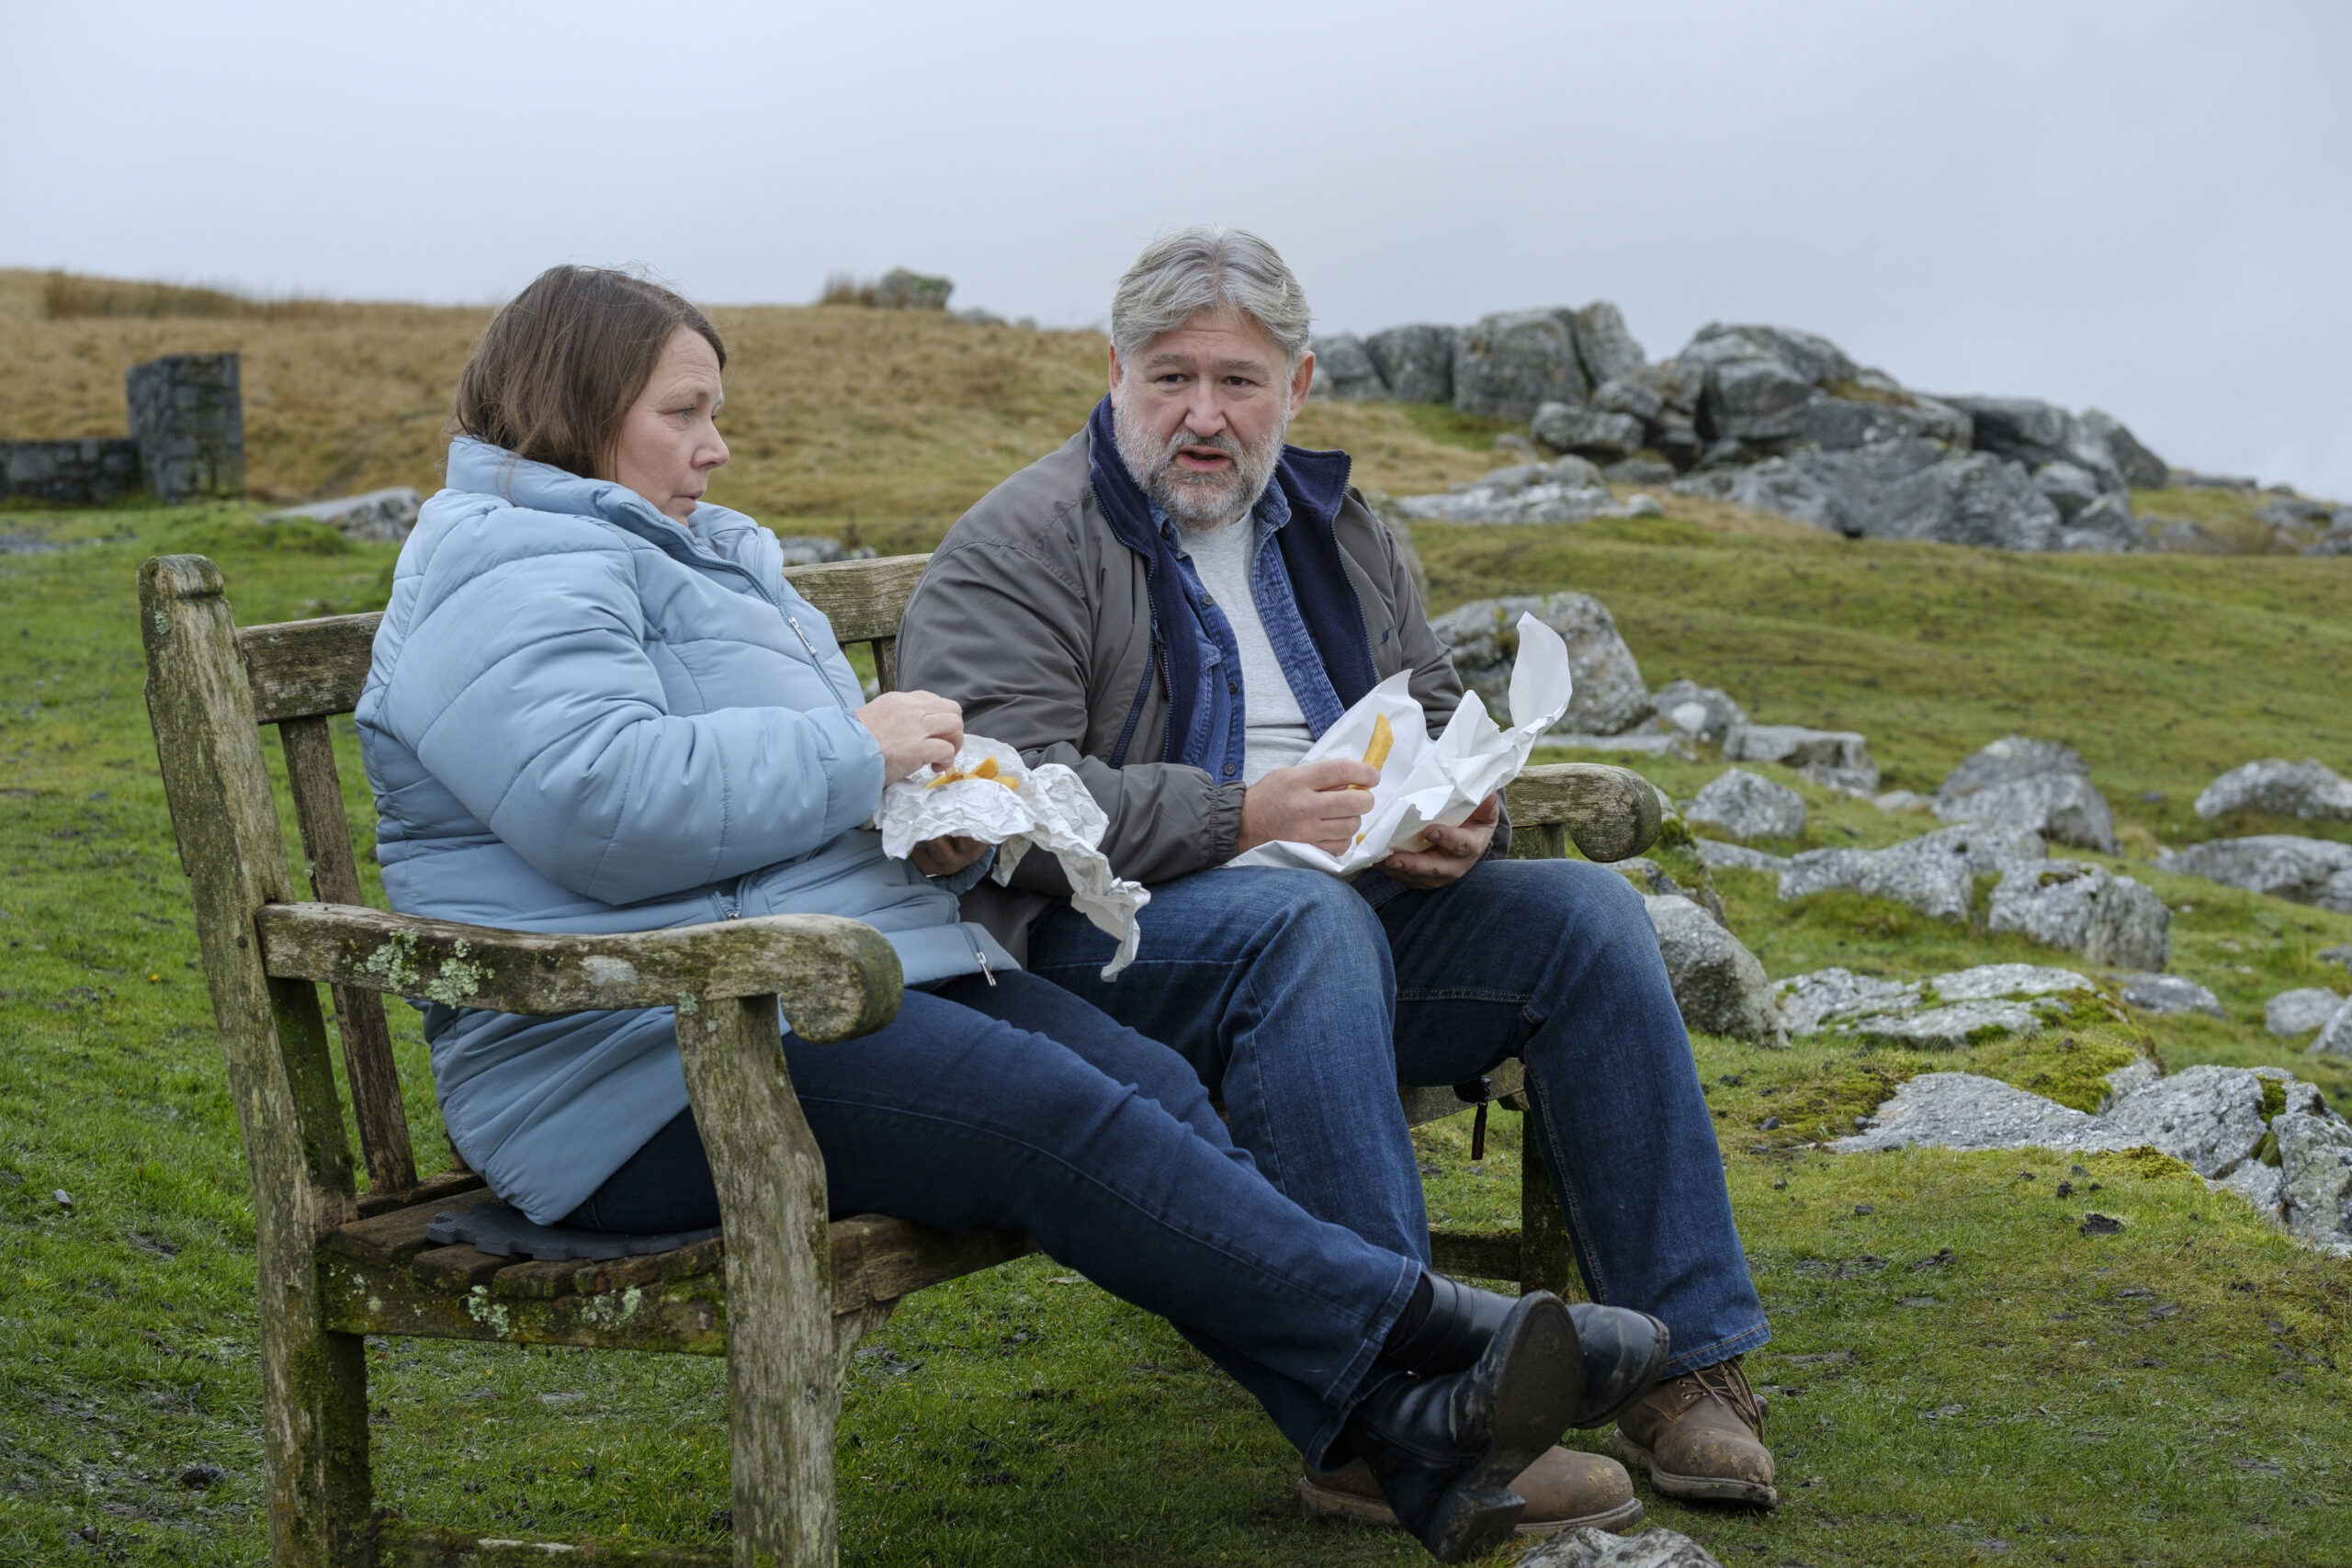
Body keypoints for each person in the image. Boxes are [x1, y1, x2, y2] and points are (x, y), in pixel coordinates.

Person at [354, 264, 1669, 1564]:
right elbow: (598, 800)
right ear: (576, 408)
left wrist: (947, 805)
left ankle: (1405, 1434)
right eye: (684, 414)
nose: (718, 444)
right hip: (639, 1058)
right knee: (1057, 1123)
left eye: (713, 411)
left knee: (1148, 1085)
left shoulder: (701, 556)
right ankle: (1450, 1342)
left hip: (800, 985)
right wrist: (861, 755)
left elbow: (768, 795)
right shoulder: (505, 565)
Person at [895, 228, 1779, 1528]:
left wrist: (1465, 811)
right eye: (1172, 377)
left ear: (1297, 386)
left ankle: (1683, 1363)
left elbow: (1425, 709)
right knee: (1301, 917)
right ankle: (1397, 1413)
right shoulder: (1021, 542)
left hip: (1336, 929)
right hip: (1106, 952)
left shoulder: (1339, 525)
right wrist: (1239, 816)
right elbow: (1002, 801)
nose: (1204, 416)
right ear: (1116, 372)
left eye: (1239, 382)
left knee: (1585, 918)